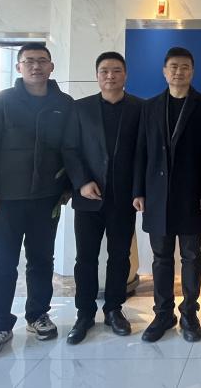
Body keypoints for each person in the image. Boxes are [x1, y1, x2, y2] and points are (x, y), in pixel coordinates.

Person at [0, 44, 75, 358]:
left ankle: (38, 315)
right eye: (29, 61)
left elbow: (72, 149)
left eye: (42, 61)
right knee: (2, 262)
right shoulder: (1, 103)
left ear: (51, 67)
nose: (36, 66)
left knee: (42, 260)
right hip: (5, 199)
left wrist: (68, 186)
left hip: (47, 197)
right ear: (19, 67)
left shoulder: (63, 104)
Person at [133, 47, 201, 343]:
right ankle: (163, 313)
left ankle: (189, 313)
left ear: (192, 71)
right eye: (173, 66)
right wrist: (139, 190)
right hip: (156, 196)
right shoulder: (150, 106)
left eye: (184, 67)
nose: (178, 72)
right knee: (161, 257)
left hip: (192, 195)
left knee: (191, 255)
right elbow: (141, 151)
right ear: (164, 71)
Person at [62, 52, 142, 344]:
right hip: (89, 197)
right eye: (105, 71)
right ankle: (84, 314)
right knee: (85, 257)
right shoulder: (80, 108)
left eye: (116, 70)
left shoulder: (140, 108)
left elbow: (143, 153)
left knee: (120, 257)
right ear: (97, 75)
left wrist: (139, 190)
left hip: (124, 197)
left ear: (125, 75)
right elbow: (69, 148)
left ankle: (113, 309)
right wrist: (82, 182)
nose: (110, 76)